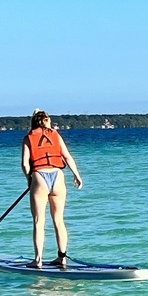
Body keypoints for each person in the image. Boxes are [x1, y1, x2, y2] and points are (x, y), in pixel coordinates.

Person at [22, 109, 84, 268]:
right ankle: (61, 257)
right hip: (58, 176)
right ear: (47, 121)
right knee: (59, 220)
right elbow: (67, 156)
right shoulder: (55, 135)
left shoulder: (29, 137)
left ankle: (38, 260)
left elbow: (25, 164)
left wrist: (29, 180)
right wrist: (77, 175)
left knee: (38, 221)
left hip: (39, 177)